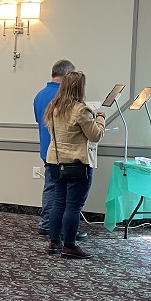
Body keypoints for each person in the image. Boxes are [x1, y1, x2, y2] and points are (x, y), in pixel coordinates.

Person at [44, 71, 105, 259]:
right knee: (73, 207)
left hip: (55, 161)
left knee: (58, 203)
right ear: (80, 88)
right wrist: (100, 119)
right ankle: (69, 246)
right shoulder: (80, 110)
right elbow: (95, 135)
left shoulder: (53, 107)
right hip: (76, 164)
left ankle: (54, 242)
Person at [34, 59, 80, 239]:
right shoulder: (64, 98)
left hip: (46, 149)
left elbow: (39, 121)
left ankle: (47, 223)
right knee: (63, 193)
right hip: (63, 151)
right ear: (68, 76)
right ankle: (54, 226)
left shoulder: (39, 95)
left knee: (50, 187)